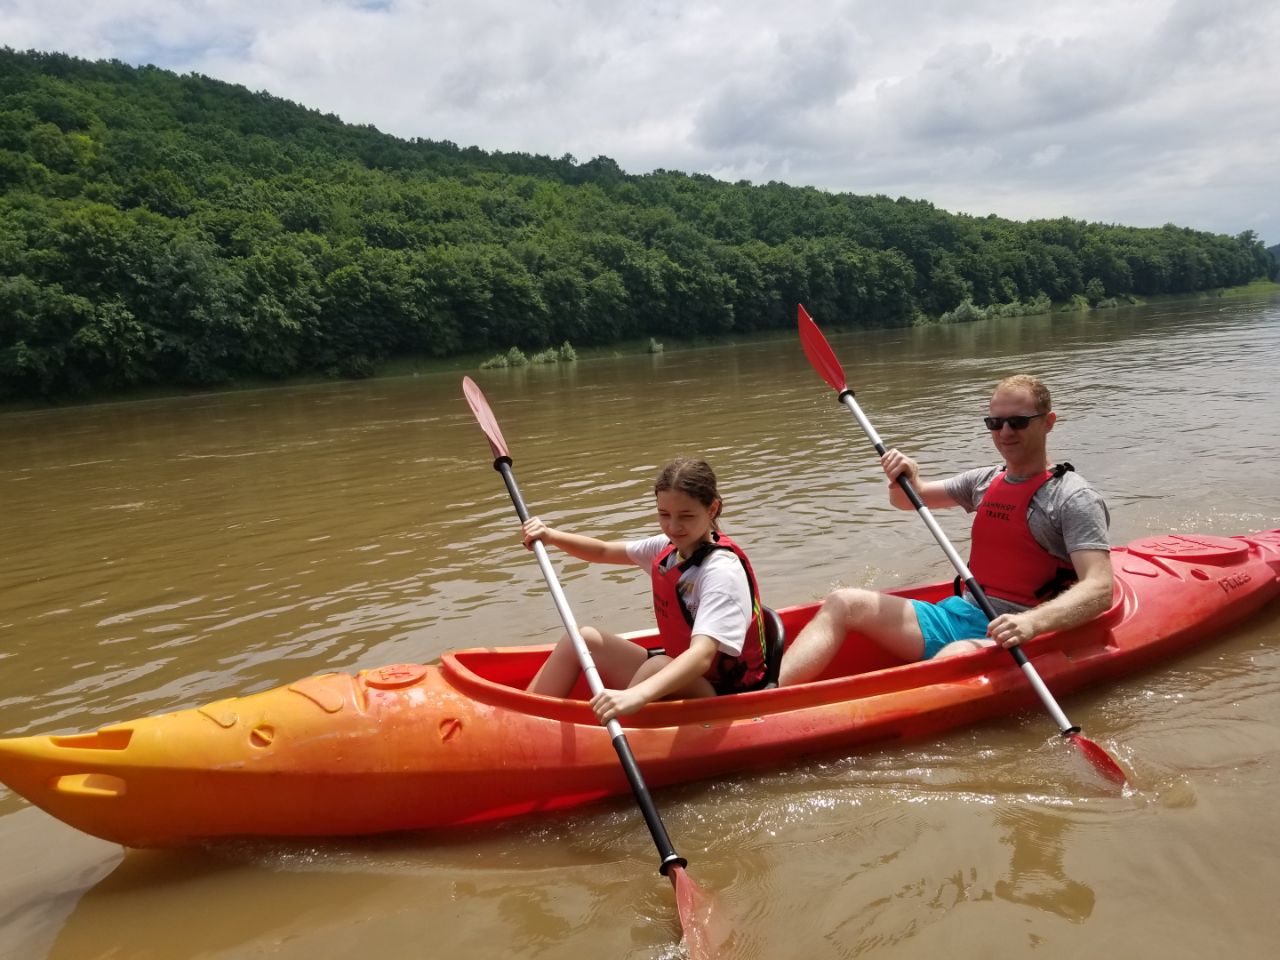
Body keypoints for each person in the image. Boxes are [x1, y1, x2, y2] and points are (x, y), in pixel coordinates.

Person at [779, 374, 1113, 685]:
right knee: (844, 601)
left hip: (1023, 630)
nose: (1006, 432)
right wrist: (904, 476)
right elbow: (911, 499)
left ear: (1048, 422)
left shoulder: (1073, 498)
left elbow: (1099, 588)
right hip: (963, 614)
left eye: (1018, 422)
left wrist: (1032, 623)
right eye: (995, 423)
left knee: (949, 661)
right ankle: (769, 698)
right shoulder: (983, 481)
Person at [523, 457, 770, 722]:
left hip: (722, 696)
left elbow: (702, 656)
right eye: (664, 515)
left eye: (686, 516)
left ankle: (611, 734)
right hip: (682, 674)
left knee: (657, 666)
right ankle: (524, 717)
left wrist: (636, 695)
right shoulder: (667, 548)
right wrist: (550, 536)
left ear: (712, 509)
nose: (673, 527)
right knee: (583, 639)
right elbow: (603, 551)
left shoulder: (721, 572)